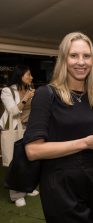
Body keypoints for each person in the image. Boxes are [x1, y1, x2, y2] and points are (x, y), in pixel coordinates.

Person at [24, 32, 93, 223]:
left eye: (86, 56)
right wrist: (84, 143)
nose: (81, 62)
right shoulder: (46, 95)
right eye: (74, 55)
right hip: (61, 187)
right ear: (63, 59)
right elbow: (33, 150)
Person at [0, 64, 39, 207]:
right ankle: (16, 195)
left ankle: (27, 188)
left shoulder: (30, 90)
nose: (31, 77)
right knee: (15, 162)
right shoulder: (7, 91)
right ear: (20, 75)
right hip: (14, 129)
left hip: (29, 129)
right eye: (28, 75)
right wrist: (25, 98)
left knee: (29, 159)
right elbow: (12, 111)